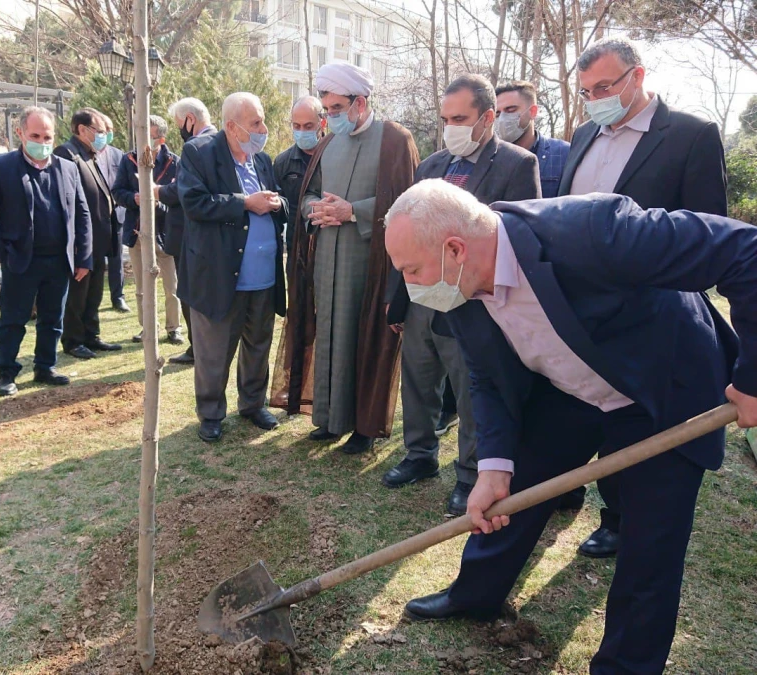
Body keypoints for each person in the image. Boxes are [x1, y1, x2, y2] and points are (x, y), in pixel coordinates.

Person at [385, 178, 754, 675]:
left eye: (412, 270)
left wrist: (752, 379)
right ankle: (475, 595)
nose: (410, 286)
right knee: (515, 485)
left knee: (650, 548)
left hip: (662, 390)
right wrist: (494, 465)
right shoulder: (460, 288)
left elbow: (744, 253)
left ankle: (625, 665)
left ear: (455, 249)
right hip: (570, 387)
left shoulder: (592, 231)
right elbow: (486, 377)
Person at [558, 37, 728, 558]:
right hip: (584, 313)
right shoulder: (584, 134)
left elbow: (707, 233)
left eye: (605, 86)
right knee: (601, 416)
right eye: (586, 91)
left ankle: (624, 519)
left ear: (639, 75)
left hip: (654, 317)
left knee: (642, 422)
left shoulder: (691, 136)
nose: (595, 98)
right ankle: (608, 506)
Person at [382, 75, 540, 517]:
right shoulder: (431, 165)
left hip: (473, 305)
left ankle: (470, 472)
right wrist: (399, 298)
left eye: (460, 118)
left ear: (486, 118)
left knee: (471, 390)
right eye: (445, 118)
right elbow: (407, 237)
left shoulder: (516, 164)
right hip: (422, 299)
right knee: (418, 377)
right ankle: (419, 454)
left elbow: (518, 239)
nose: (450, 127)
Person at [271, 62, 419, 455]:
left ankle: (363, 428)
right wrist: (315, 210)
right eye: (328, 109)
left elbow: (405, 203)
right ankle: (328, 419)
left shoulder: (394, 139)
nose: (331, 116)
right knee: (330, 337)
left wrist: (353, 211)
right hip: (327, 263)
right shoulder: (328, 143)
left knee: (362, 337)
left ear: (361, 102)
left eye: (337, 109)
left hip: (370, 263)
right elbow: (307, 196)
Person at [177, 92, 288, 443]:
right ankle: (210, 413)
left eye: (263, 120)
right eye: (255, 123)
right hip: (219, 276)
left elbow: (280, 199)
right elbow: (193, 202)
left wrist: (277, 203)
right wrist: (245, 203)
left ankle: (252, 404)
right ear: (231, 126)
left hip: (264, 277)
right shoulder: (199, 154)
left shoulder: (262, 160)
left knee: (258, 344)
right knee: (214, 351)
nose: (263, 129)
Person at [0, 106, 93, 396]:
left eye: (47, 136)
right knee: (13, 319)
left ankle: (45, 366)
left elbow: (82, 214)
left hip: (59, 261)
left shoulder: (67, 167)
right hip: (20, 260)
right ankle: (7, 371)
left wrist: (84, 257)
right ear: (20, 133)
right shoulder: (0, 167)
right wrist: (0, 251)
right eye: (35, 135)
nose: (42, 142)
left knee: (53, 318)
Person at [54, 108, 122, 359]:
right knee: (77, 294)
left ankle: (91, 335)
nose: (103, 136)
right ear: (82, 130)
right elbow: (67, 202)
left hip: (98, 240)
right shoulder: (67, 154)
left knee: (94, 292)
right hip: (81, 241)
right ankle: (73, 340)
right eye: (99, 131)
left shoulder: (88, 154)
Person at [111, 115, 183, 345]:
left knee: (172, 287)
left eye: (149, 135)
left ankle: (174, 328)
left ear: (161, 138)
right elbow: (117, 191)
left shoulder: (175, 162)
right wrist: (134, 198)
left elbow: (180, 196)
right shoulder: (128, 160)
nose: (143, 140)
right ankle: (148, 328)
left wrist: (159, 202)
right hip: (138, 233)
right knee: (142, 289)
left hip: (166, 232)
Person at [160, 97, 218, 365]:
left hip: (188, 234)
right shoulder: (219, 142)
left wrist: (158, 190)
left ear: (190, 119)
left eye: (178, 124)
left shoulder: (195, 147)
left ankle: (199, 347)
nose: (178, 129)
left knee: (189, 293)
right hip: (204, 234)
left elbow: (183, 192)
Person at [494, 80, 570, 198]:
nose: (503, 118)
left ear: (533, 111)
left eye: (511, 110)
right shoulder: (489, 158)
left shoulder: (563, 154)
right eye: (497, 114)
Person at [273, 95, 324, 261]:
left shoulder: (337, 155)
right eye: (297, 126)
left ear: (322, 123)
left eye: (308, 126)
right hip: (297, 251)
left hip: (330, 244)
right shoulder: (283, 163)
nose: (302, 131)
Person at [98, 114, 130, 313]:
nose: (108, 134)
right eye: (104, 130)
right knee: (95, 261)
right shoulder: (84, 156)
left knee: (116, 259)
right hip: (95, 217)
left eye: (110, 130)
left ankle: (118, 297)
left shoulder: (118, 155)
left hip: (116, 215)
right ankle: (95, 299)